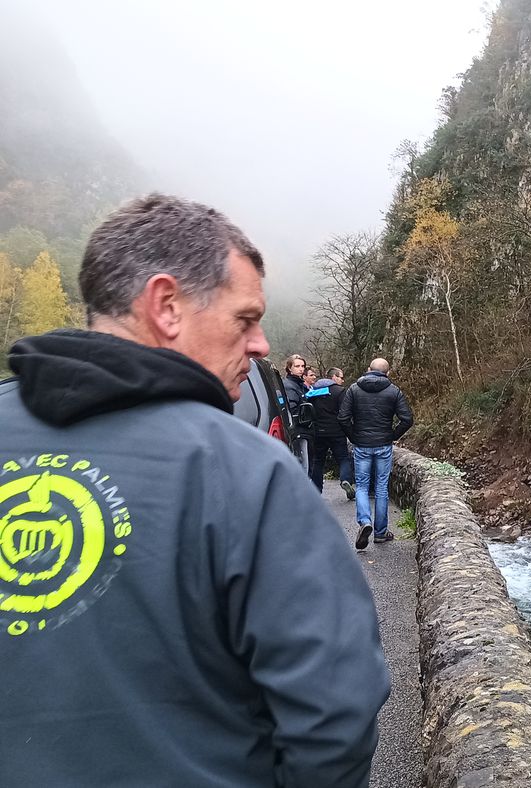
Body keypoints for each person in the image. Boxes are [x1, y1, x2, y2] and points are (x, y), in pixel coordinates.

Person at [0, 194, 390, 786]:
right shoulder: (249, 473)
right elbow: (335, 713)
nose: (260, 344)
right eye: (245, 318)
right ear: (167, 306)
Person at [338, 357, 413, 550]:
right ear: (387, 373)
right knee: (381, 488)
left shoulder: (354, 389)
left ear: (368, 369)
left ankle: (365, 521)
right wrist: (392, 435)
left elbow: (343, 418)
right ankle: (380, 532)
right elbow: (407, 419)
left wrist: (353, 436)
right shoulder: (393, 391)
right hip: (383, 445)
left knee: (362, 486)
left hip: (362, 445)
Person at [306, 367, 354, 498]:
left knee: (318, 461)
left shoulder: (313, 391)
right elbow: (345, 413)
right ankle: (345, 480)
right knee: (343, 458)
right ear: (333, 377)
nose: (342, 380)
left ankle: (316, 491)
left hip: (318, 432)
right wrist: (349, 430)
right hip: (336, 431)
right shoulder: (340, 391)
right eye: (340, 377)